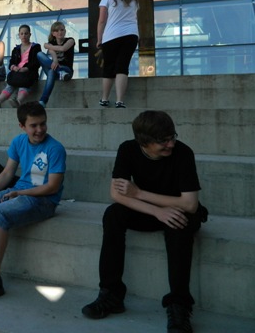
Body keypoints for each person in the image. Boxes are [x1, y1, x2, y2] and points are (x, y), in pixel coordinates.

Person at [82, 110, 205, 333]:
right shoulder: (128, 149)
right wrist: (157, 211)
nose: (170, 144)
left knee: (179, 223)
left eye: (172, 137)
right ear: (144, 142)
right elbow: (117, 194)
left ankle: (179, 305)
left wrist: (139, 194)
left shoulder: (183, 152)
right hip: (150, 211)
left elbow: (190, 204)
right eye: (163, 141)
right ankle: (111, 294)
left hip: (179, 210)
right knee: (113, 214)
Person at [0, 102, 66, 303]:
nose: (40, 129)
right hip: (20, 191)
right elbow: (7, 173)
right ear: (22, 126)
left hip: (43, 200)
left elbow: (52, 187)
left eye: (42, 124)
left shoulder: (55, 148)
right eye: (33, 125)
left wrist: (19, 192)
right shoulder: (18, 142)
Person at [97, 0, 139, 108]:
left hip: (112, 36)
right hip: (131, 35)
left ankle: (105, 99)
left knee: (109, 67)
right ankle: (119, 101)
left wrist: (99, 39)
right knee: (122, 66)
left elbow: (102, 20)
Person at [0, 24, 42, 107]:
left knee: (24, 85)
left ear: (30, 34)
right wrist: (14, 67)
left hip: (29, 72)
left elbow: (36, 62)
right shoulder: (16, 49)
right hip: (17, 72)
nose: (24, 35)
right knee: (9, 86)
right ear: (19, 35)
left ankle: (18, 101)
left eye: (26, 33)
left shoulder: (35, 47)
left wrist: (26, 69)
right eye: (22, 34)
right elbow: (11, 62)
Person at [36, 21, 75, 107]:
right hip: (57, 69)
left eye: (62, 30)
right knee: (39, 54)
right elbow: (53, 55)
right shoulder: (51, 43)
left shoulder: (70, 40)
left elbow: (63, 48)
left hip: (67, 70)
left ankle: (43, 101)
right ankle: (60, 72)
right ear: (53, 33)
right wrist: (55, 61)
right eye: (57, 31)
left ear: (65, 31)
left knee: (51, 71)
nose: (60, 32)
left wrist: (48, 46)